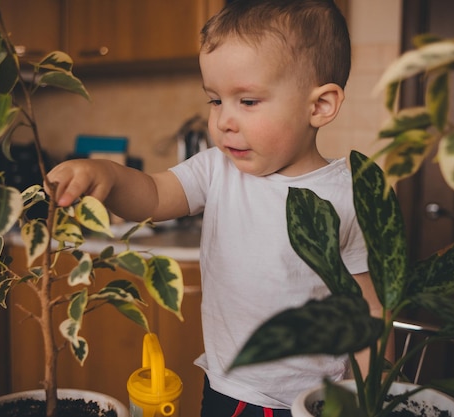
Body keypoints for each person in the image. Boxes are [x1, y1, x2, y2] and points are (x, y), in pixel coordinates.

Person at [47, 0, 382, 415]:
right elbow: (153, 194)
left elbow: (367, 311)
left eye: (248, 101)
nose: (224, 120)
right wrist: (109, 175)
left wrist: (365, 400)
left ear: (319, 106)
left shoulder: (347, 196)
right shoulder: (217, 169)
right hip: (228, 389)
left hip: (312, 401)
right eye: (215, 100)